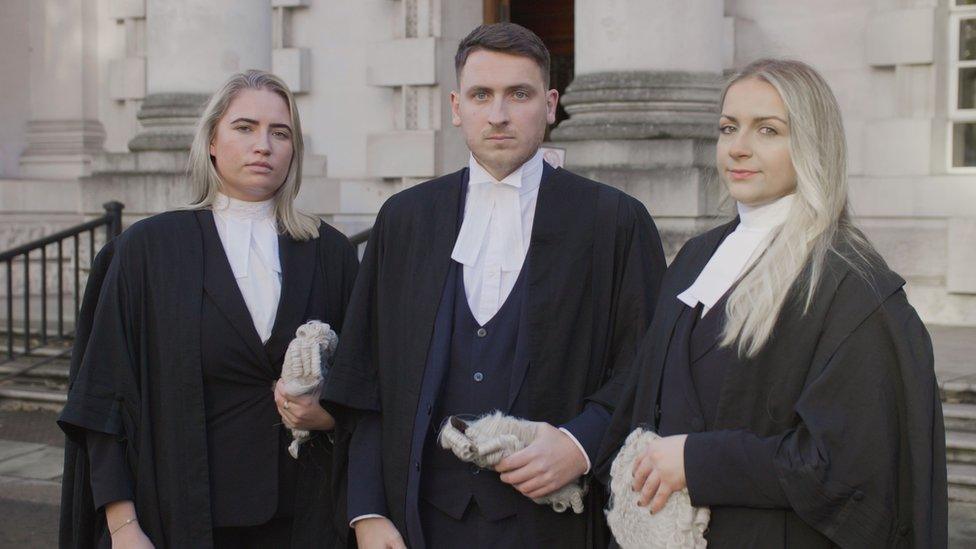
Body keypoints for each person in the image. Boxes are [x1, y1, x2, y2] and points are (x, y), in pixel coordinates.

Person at [322, 23, 666, 549]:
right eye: (482, 95)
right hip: (421, 522)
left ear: (550, 105)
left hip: (559, 523)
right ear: (457, 107)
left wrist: (579, 444)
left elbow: (645, 367)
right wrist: (367, 511)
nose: (499, 114)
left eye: (519, 95)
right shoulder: (405, 220)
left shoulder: (615, 221)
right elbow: (368, 381)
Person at [596, 58, 948, 547]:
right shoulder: (697, 257)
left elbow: (852, 467)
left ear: (811, 142)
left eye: (768, 130)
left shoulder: (851, 285)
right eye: (728, 128)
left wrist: (699, 462)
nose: (738, 148)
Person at [58, 70, 358, 548]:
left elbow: (367, 386)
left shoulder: (330, 254)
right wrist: (123, 527)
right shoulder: (147, 252)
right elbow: (104, 401)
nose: (264, 144)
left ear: (293, 150)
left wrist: (326, 416)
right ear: (212, 141)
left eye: (280, 133)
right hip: (181, 518)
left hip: (307, 519)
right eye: (245, 127)